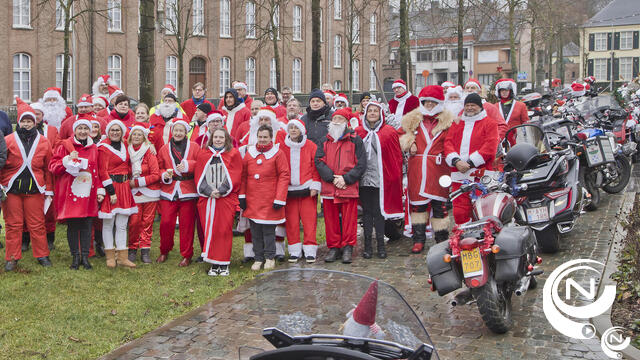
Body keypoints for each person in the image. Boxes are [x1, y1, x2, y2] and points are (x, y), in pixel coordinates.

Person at [400, 85, 454, 253]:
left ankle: (442, 239)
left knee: (440, 205)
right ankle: (419, 239)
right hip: (417, 168)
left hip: (439, 168)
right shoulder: (412, 119)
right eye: (426, 102)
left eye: (433, 102)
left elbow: (453, 141)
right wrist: (410, 142)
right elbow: (400, 134)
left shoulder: (449, 122)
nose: (429, 105)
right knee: (418, 205)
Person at [1, 98, 53, 271]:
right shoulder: (8, 140)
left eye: (30, 120)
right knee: (13, 224)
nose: (27, 123)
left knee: (37, 223)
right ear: (19, 122)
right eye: (23, 120)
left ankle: (42, 254)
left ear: (35, 121)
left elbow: (48, 168)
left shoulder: (44, 142)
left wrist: (49, 190)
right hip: (11, 190)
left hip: (35, 188)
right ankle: (12, 257)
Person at [315, 108, 367, 264]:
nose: (336, 121)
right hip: (330, 186)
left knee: (349, 220)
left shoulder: (355, 140)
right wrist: (332, 178)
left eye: (340, 119)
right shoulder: (324, 140)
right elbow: (319, 161)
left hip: (347, 186)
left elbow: (361, 163)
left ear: (346, 122)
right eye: (335, 118)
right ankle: (334, 247)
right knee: (330, 219)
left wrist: (346, 178)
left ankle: (348, 247)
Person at [49, 118, 102, 270]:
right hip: (71, 193)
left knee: (86, 225)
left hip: (88, 193)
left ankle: (85, 257)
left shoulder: (94, 148)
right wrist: (66, 161)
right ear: (75, 130)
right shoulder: (65, 146)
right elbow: (53, 166)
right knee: (73, 226)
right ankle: (75, 257)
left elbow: (97, 171)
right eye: (80, 128)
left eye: (86, 128)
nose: (83, 131)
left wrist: (99, 190)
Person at [354, 101, 404, 259]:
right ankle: (368, 246)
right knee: (367, 213)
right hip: (364, 180)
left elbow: (396, 157)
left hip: (382, 180)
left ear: (381, 114)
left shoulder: (389, 132)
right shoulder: (358, 132)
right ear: (365, 113)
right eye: (370, 111)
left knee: (379, 213)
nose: (373, 113)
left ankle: (381, 246)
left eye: (376, 111)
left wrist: (395, 176)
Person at [239, 125, 290, 271]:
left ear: (270, 138)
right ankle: (258, 257)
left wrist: (279, 198)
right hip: (253, 199)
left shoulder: (278, 153)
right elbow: (243, 176)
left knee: (268, 231)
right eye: (260, 137)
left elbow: (284, 176)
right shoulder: (250, 153)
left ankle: (269, 257)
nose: (262, 140)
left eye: (265, 137)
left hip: (269, 199)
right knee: (255, 231)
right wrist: (242, 196)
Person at [444, 93, 499, 224]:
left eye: (473, 105)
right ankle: (462, 238)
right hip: (459, 174)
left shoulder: (489, 123)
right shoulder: (456, 123)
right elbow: (448, 143)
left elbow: (490, 146)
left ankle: (486, 238)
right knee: (460, 209)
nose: (469, 108)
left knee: (482, 208)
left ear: (479, 107)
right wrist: (456, 161)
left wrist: (469, 163)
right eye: (467, 105)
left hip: (481, 174)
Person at [194, 128, 242, 276]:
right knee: (211, 230)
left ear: (226, 139)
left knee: (223, 231)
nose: (218, 140)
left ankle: (224, 263)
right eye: (216, 137)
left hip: (225, 199)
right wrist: (209, 191)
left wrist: (221, 191)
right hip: (207, 199)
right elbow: (199, 176)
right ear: (211, 139)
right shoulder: (204, 154)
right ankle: (214, 263)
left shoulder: (233, 154)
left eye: (221, 137)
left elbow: (235, 175)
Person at [156, 120, 200, 266]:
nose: (178, 133)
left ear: (186, 132)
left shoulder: (194, 147)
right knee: (166, 222)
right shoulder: (164, 148)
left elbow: (200, 163)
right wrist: (164, 175)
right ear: (172, 132)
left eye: (181, 130)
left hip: (188, 190)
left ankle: (187, 254)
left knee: (186, 225)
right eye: (176, 130)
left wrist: (189, 165)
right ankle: (164, 250)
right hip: (169, 190)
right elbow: (159, 167)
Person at [96, 120, 138, 269]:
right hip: (111, 188)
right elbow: (102, 171)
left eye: (118, 130)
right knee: (108, 223)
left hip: (125, 187)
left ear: (122, 132)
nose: (115, 132)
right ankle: (109, 256)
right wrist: (111, 192)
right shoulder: (103, 148)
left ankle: (122, 257)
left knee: (122, 224)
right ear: (108, 132)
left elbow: (141, 145)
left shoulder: (126, 144)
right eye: (112, 130)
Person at [281, 119, 320, 263]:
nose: (293, 130)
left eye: (295, 128)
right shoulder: (282, 147)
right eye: (290, 128)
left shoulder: (311, 146)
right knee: (291, 222)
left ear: (301, 130)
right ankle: (294, 249)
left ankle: (310, 248)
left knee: (309, 220)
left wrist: (315, 185)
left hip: (307, 189)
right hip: (289, 191)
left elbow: (315, 166)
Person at [127, 124, 160, 264]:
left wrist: (137, 182)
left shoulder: (149, 152)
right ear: (130, 136)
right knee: (134, 222)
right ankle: (132, 248)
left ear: (144, 137)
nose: (136, 137)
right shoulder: (126, 151)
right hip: (132, 193)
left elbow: (156, 174)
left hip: (149, 193)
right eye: (134, 134)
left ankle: (145, 250)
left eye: (139, 135)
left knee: (147, 222)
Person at [30, 102, 59, 250]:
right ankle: (25, 239)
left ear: (42, 115)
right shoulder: (26, 130)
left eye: (38, 113)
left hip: (48, 171)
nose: (36, 116)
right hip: (31, 172)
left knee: (49, 207)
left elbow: (58, 145)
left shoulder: (52, 130)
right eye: (33, 113)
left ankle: (49, 239)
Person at [493, 78, 528, 144]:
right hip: (500, 141)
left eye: (506, 90)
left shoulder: (521, 105)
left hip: (516, 140)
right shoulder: (495, 106)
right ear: (499, 92)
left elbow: (525, 123)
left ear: (511, 91)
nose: (504, 92)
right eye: (502, 90)